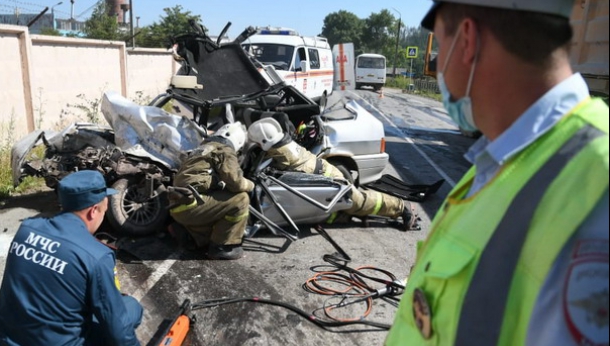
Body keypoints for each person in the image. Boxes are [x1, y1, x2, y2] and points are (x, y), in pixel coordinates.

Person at [386, 1, 609, 345]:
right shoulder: (502, 159)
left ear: (467, 39)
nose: (438, 63)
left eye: (440, 45)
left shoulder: (598, 180)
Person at [0, 170, 143, 346]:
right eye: (104, 210)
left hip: (0, 338)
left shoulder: (27, 229)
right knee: (131, 307)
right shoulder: (96, 255)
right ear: (93, 211)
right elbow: (118, 329)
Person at [247, 117, 418, 230]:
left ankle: (402, 208)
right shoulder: (281, 143)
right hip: (324, 176)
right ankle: (344, 215)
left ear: (264, 141)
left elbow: (268, 172)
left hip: (330, 181)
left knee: (358, 201)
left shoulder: (282, 155)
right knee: (335, 212)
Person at [169, 122, 254, 260]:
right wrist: (251, 184)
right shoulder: (224, 150)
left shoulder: (202, 149)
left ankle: (190, 235)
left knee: (219, 204)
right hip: (190, 205)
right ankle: (220, 247)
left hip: (178, 205)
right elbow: (236, 182)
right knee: (241, 200)